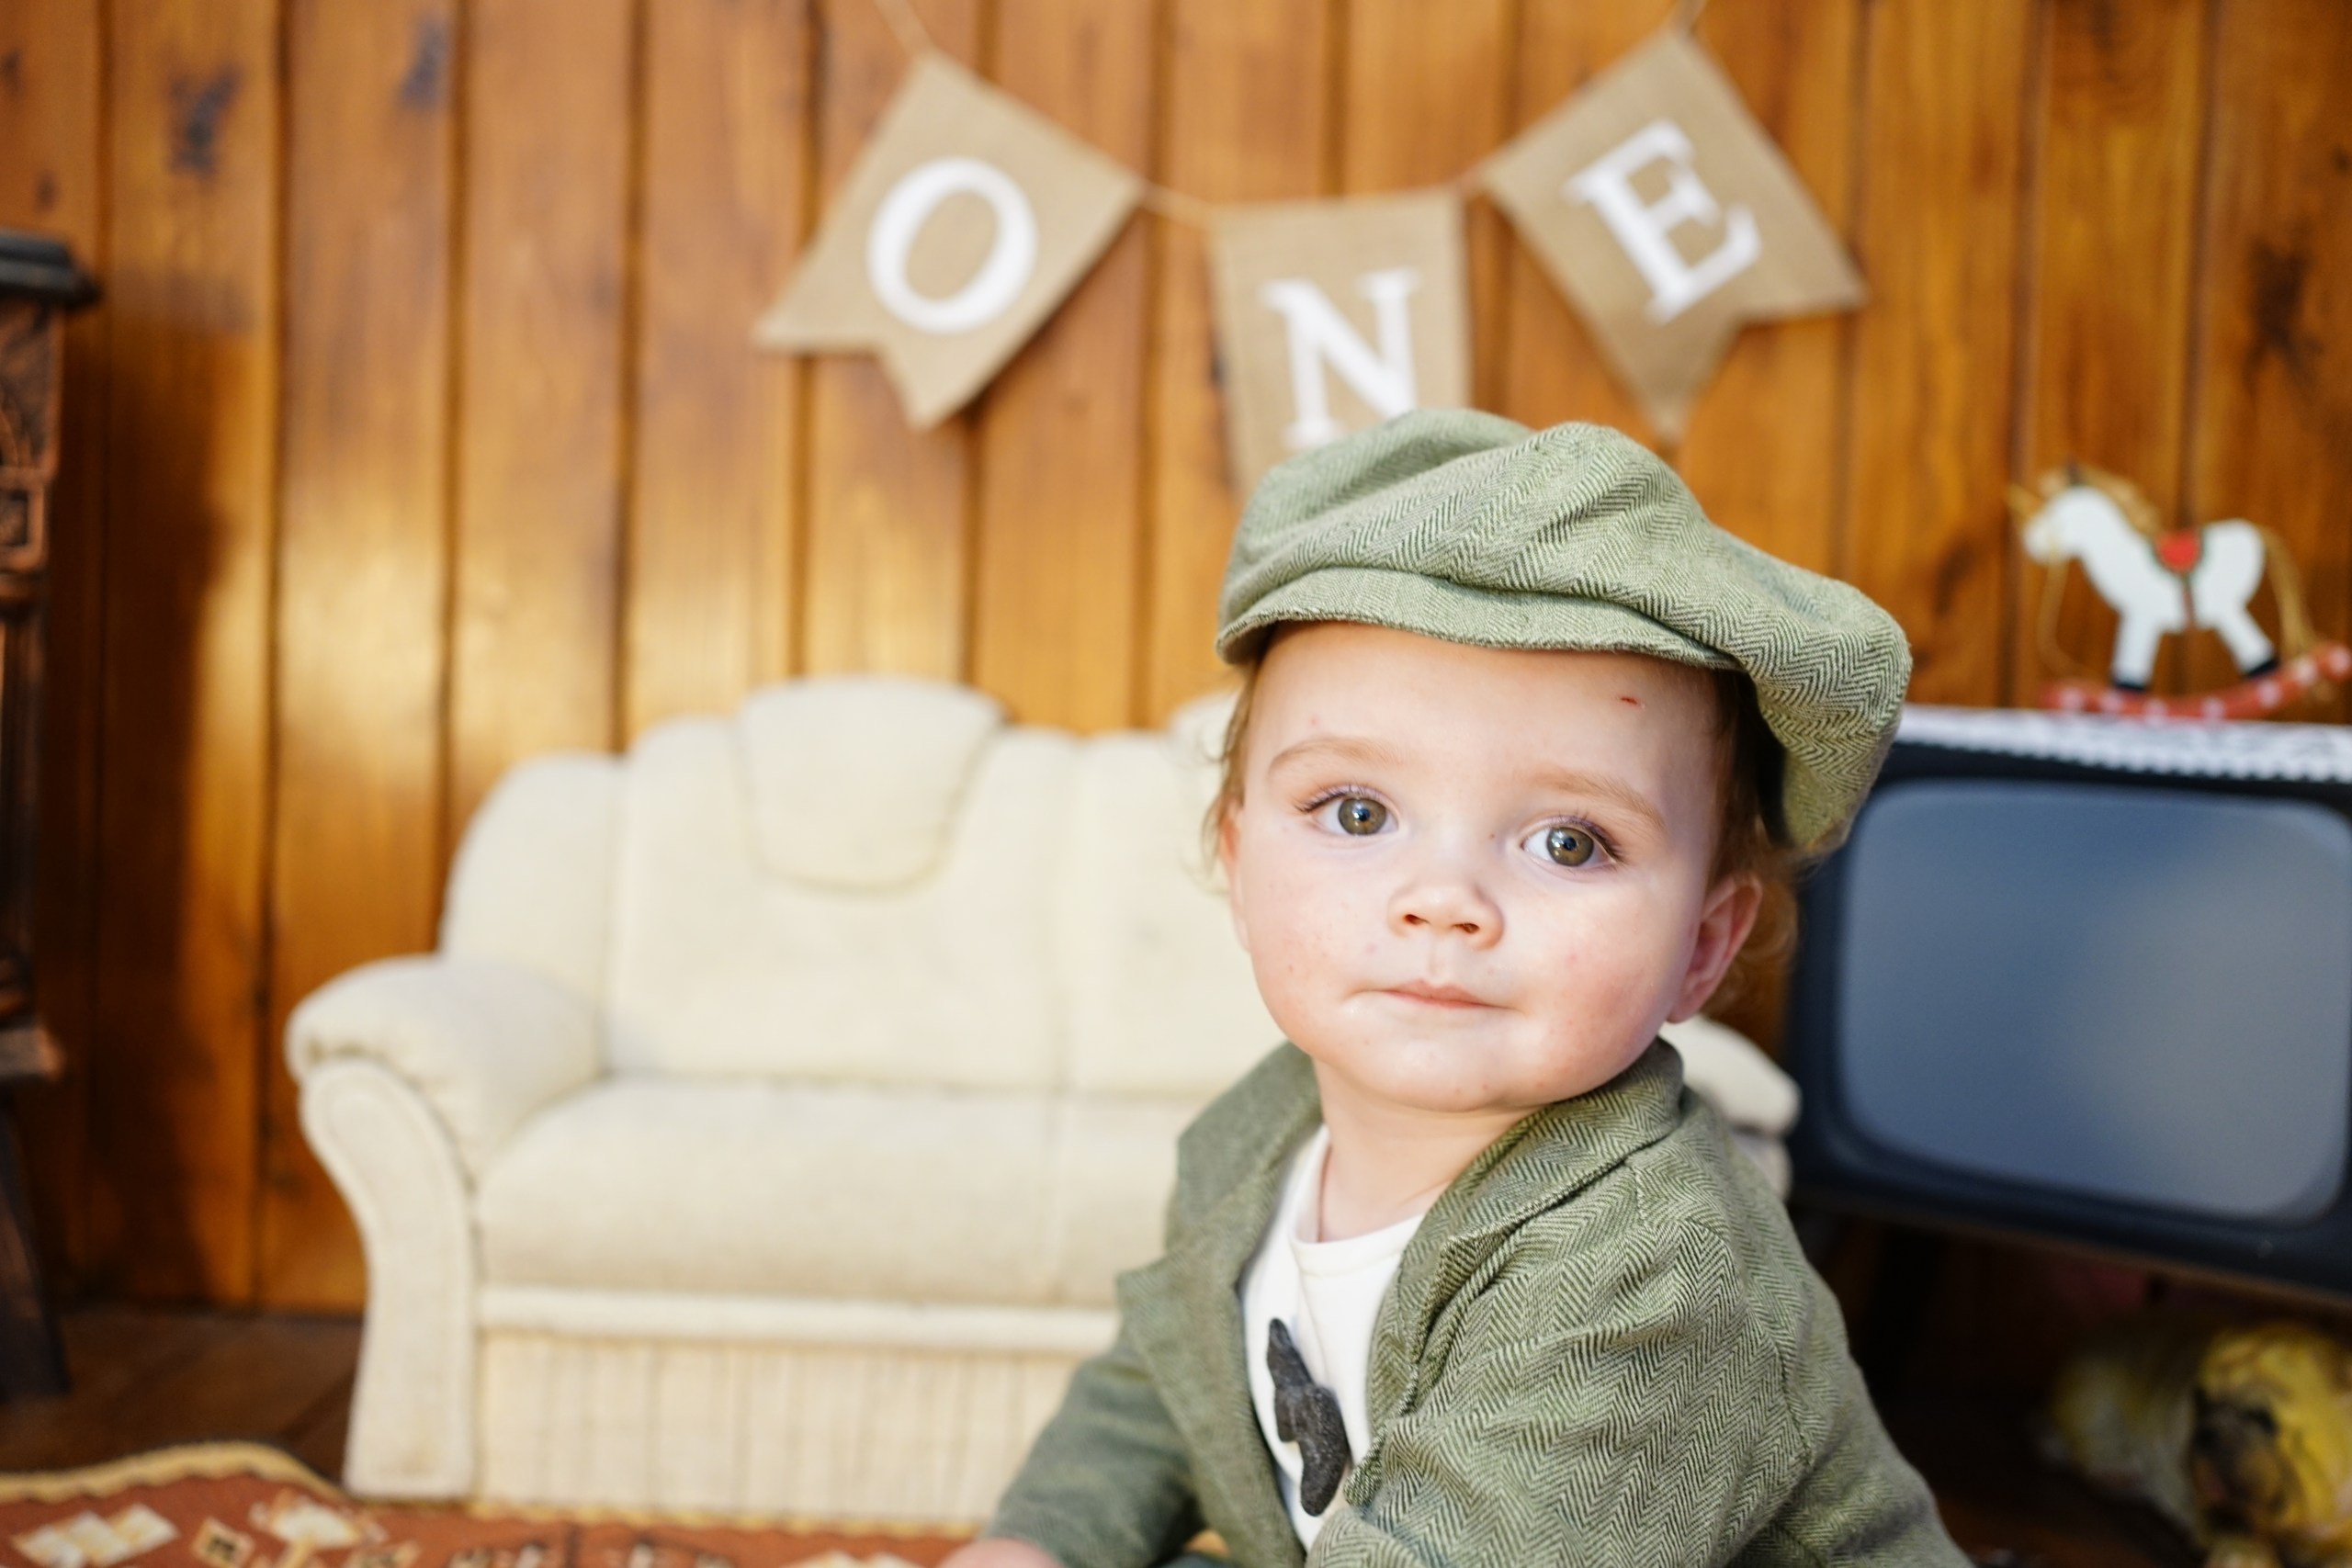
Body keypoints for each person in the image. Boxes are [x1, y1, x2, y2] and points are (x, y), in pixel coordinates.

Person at [944, 412, 1969, 1567]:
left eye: (1569, 843)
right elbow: (1158, 1385)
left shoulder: (1653, 1274)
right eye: (1358, 813)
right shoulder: (1257, 1143)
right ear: (1236, 866)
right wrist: (1036, 1545)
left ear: (1701, 946)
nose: (1444, 900)